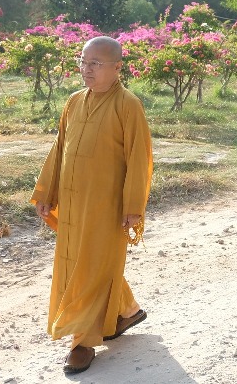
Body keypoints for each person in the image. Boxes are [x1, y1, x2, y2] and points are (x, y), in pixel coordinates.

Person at [30, 36, 153, 374]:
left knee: (92, 266)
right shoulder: (73, 102)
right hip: (72, 202)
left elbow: (138, 159)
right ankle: (127, 312)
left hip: (106, 206)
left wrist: (132, 206)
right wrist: (47, 191)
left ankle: (82, 341)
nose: (87, 68)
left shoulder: (128, 105)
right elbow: (60, 148)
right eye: (84, 61)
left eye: (95, 63)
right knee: (84, 264)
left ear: (117, 68)